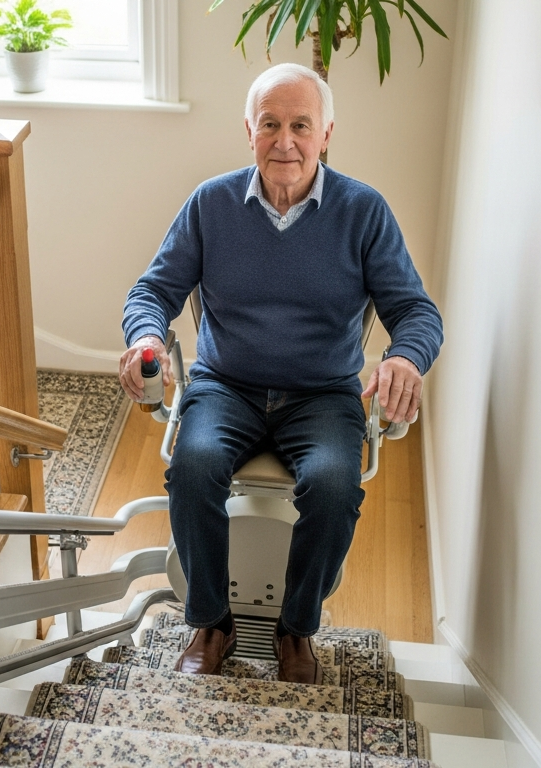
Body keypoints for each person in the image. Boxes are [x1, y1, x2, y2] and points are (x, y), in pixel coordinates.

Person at [119, 63, 443, 684]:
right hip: (227, 386)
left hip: (322, 394)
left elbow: (416, 311)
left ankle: (296, 628)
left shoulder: (363, 211)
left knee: (333, 487)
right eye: (269, 124)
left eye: (301, 125)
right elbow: (152, 291)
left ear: (326, 135)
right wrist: (146, 336)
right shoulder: (211, 204)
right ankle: (210, 622)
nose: (284, 141)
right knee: (192, 468)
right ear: (249, 131)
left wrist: (405, 356)